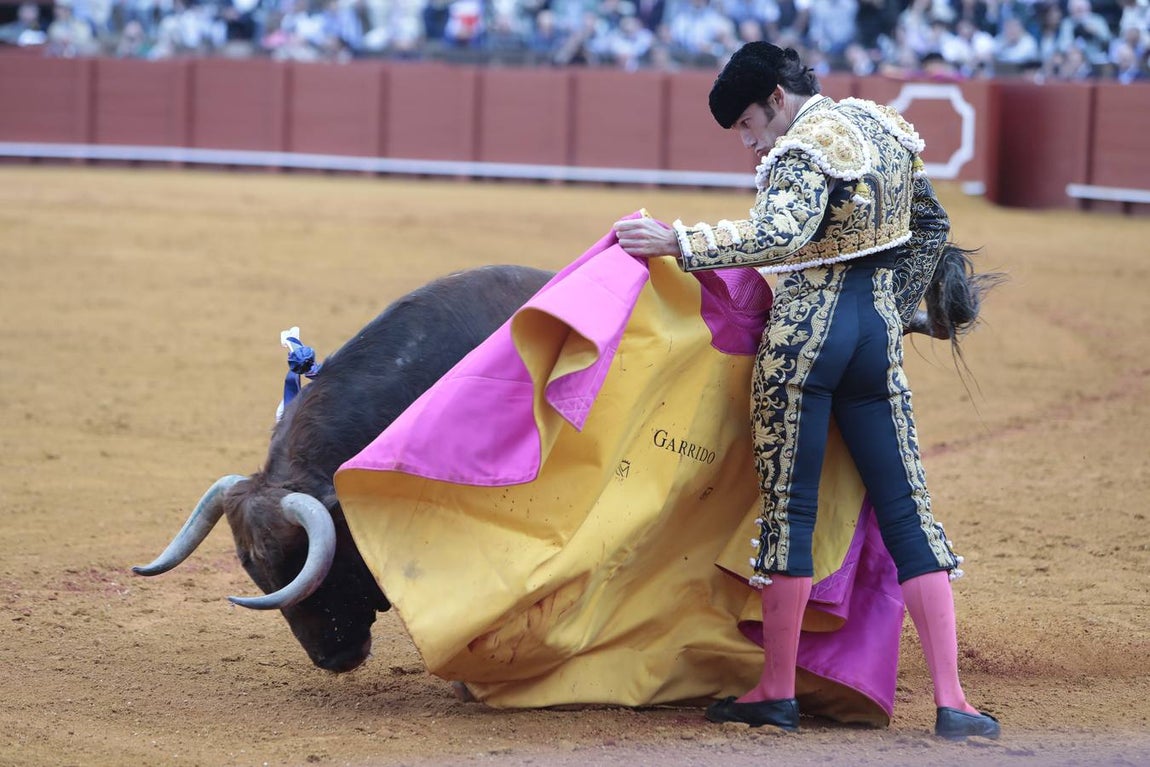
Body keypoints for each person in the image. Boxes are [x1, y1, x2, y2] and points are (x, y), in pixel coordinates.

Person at [612, 41, 1001, 740]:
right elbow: (934, 226)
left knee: (790, 510)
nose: (749, 142)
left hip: (805, 341)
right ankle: (954, 701)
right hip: (874, 341)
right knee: (910, 512)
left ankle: (776, 689)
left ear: (775, 101)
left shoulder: (801, 148)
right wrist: (891, 302)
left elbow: (778, 233)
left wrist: (678, 241)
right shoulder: (884, 128)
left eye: (747, 125)